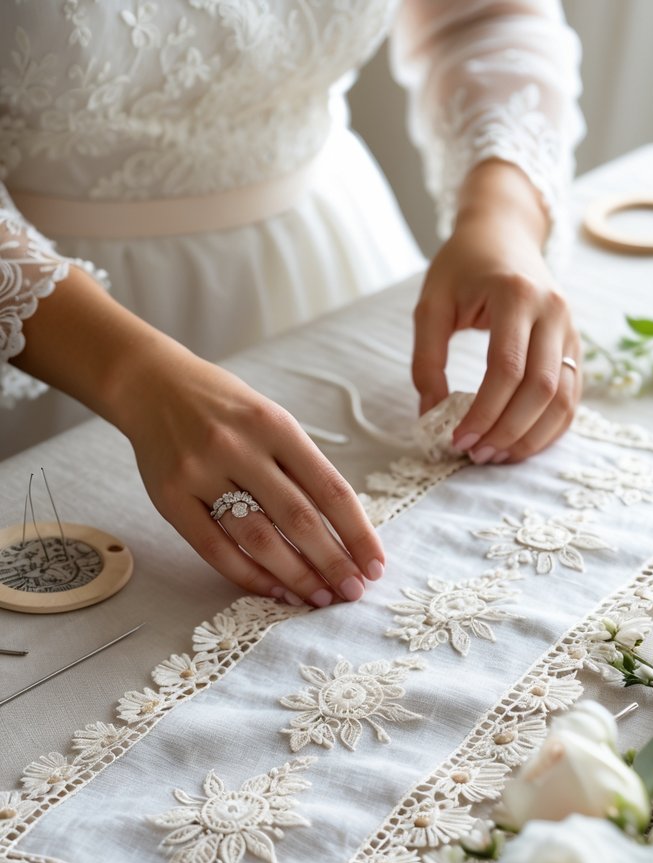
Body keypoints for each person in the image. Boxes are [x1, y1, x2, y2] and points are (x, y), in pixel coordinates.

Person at [0, 1, 585, 609]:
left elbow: (487, 18)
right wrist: (129, 376)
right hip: (57, 327)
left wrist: (504, 215)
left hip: (334, 257)